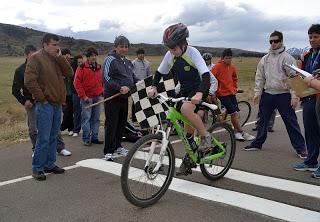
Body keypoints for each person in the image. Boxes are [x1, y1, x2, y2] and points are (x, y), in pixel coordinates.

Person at [147, 23, 212, 175]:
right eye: (169, 48)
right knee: (186, 131)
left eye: (174, 48)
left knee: (185, 108)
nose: (172, 52)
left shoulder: (192, 52)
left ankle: (206, 137)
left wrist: (200, 94)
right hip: (184, 90)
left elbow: (206, 75)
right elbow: (159, 72)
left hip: (199, 88)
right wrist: (154, 87)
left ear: (183, 44)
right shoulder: (170, 55)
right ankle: (191, 155)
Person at [244, 31, 307, 159]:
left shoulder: (287, 58)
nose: (273, 43)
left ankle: (301, 148)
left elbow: (294, 78)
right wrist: (258, 92)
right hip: (268, 94)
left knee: (291, 122)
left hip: (283, 95)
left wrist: (294, 97)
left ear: (281, 42)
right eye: (271, 41)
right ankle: (257, 143)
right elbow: (260, 77)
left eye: (276, 41)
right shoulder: (265, 59)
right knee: (262, 121)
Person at [24, 33, 73, 181]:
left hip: (57, 104)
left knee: (53, 136)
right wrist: (42, 99)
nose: (57, 47)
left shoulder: (57, 58)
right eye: (54, 45)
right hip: (45, 104)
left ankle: (49, 164)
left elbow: (69, 72)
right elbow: (29, 81)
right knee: (43, 138)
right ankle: (37, 168)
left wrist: (60, 58)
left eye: (58, 45)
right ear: (45, 44)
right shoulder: (35, 58)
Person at [102, 35, 138, 161]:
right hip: (112, 97)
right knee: (111, 124)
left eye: (126, 47)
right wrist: (119, 88)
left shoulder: (128, 62)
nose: (124, 49)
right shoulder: (110, 59)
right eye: (121, 46)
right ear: (115, 47)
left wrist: (141, 83)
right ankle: (108, 150)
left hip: (124, 98)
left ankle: (118, 146)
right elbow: (106, 78)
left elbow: (132, 78)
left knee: (121, 123)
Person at [294, 24, 320, 178]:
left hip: (318, 96)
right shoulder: (308, 55)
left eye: (316, 37)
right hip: (309, 97)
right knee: (310, 131)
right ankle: (311, 161)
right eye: (310, 37)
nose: (312, 40)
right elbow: (304, 75)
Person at [212, 48, 255, 141]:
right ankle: (241, 131)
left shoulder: (232, 67)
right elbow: (212, 80)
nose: (228, 60)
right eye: (226, 58)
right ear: (222, 58)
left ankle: (237, 132)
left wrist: (234, 88)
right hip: (222, 94)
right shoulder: (217, 67)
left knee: (235, 113)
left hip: (231, 92)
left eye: (230, 58)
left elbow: (234, 78)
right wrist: (214, 92)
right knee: (234, 113)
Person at [74, 47, 104, 146]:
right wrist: (83, 96)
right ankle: (86, 138)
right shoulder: (82, 67)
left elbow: (102, 81)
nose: (94, 57)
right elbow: (77, 83)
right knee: (86, 118)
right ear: (87, 57)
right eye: (91, 56)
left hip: (98, 96)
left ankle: (94, 137)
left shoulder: (99, 67)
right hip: (87, 98)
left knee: (96, 118)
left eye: (95, 55)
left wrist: (102, 91)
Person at [12, 45, 37, 152]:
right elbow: (15, 90)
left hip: (45, 101)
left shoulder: (41, 68)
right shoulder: (20, 70)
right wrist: (24, 101)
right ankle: (36, 149)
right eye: (32, 56)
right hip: (31, 103)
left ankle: (59, 148)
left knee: (50, 126)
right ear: (26, 55)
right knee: (33, 129)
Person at [131, 48, 151, 122]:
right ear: (137, 55)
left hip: (145, 85)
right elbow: (131, 74)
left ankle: (143, 117)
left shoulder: (147, 63)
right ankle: (134, 118)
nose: (141, 55)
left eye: (143, 54)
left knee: (144, 101)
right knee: (135, 102)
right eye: (140, 54)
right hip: (136, 84)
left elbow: (148, 74)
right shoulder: (133, 63)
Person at [60, 48, 74, 135]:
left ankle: (68, 128)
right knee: (66, 111)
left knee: (70, 111)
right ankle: (67, 127)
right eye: (65, 54)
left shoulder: (72, 64)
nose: (67, 56)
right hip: (63, 93)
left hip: (72, 92)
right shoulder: (59, 65)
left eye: (68, 54)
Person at [70, 55, 84, 137]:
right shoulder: (72, 71)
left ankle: (87, 130)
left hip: (84, 93)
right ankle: (76, 129)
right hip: (75, 93)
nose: (80, 64)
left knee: (85, 112)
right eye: (78, 62)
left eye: (81, 62)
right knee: (77, 112)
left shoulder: (84, 69)